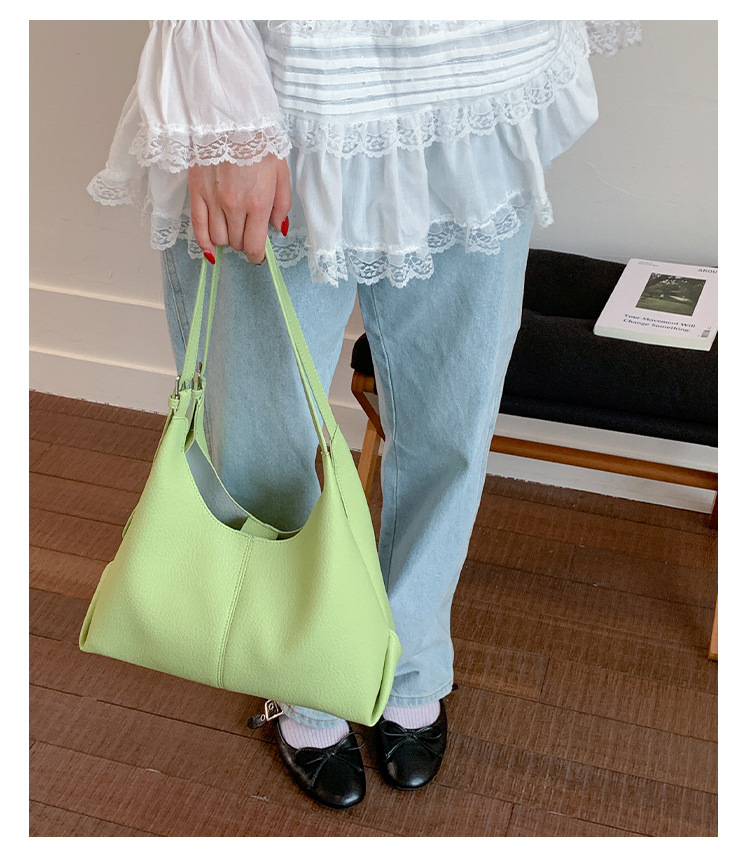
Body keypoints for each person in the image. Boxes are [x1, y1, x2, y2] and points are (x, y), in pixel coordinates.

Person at [88, 19, 640, 810]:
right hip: (291, 91)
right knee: (261, 436)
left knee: (451, 422)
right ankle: (301, 677)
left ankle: (412, 659)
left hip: (479, 86)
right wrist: (227, 122)